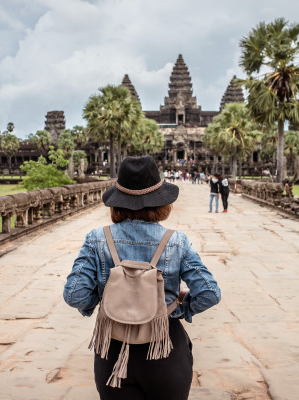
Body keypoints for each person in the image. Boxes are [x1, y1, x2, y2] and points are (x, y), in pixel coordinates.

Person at [63, 156, 221, 400]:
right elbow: (209, 293)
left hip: (111, 350)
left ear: (117, 202)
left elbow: (75, 295)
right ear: (162, 202)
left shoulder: (96, 238)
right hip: (164, 348)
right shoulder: (176, 241)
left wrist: (106, 301)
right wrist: (175, 309)